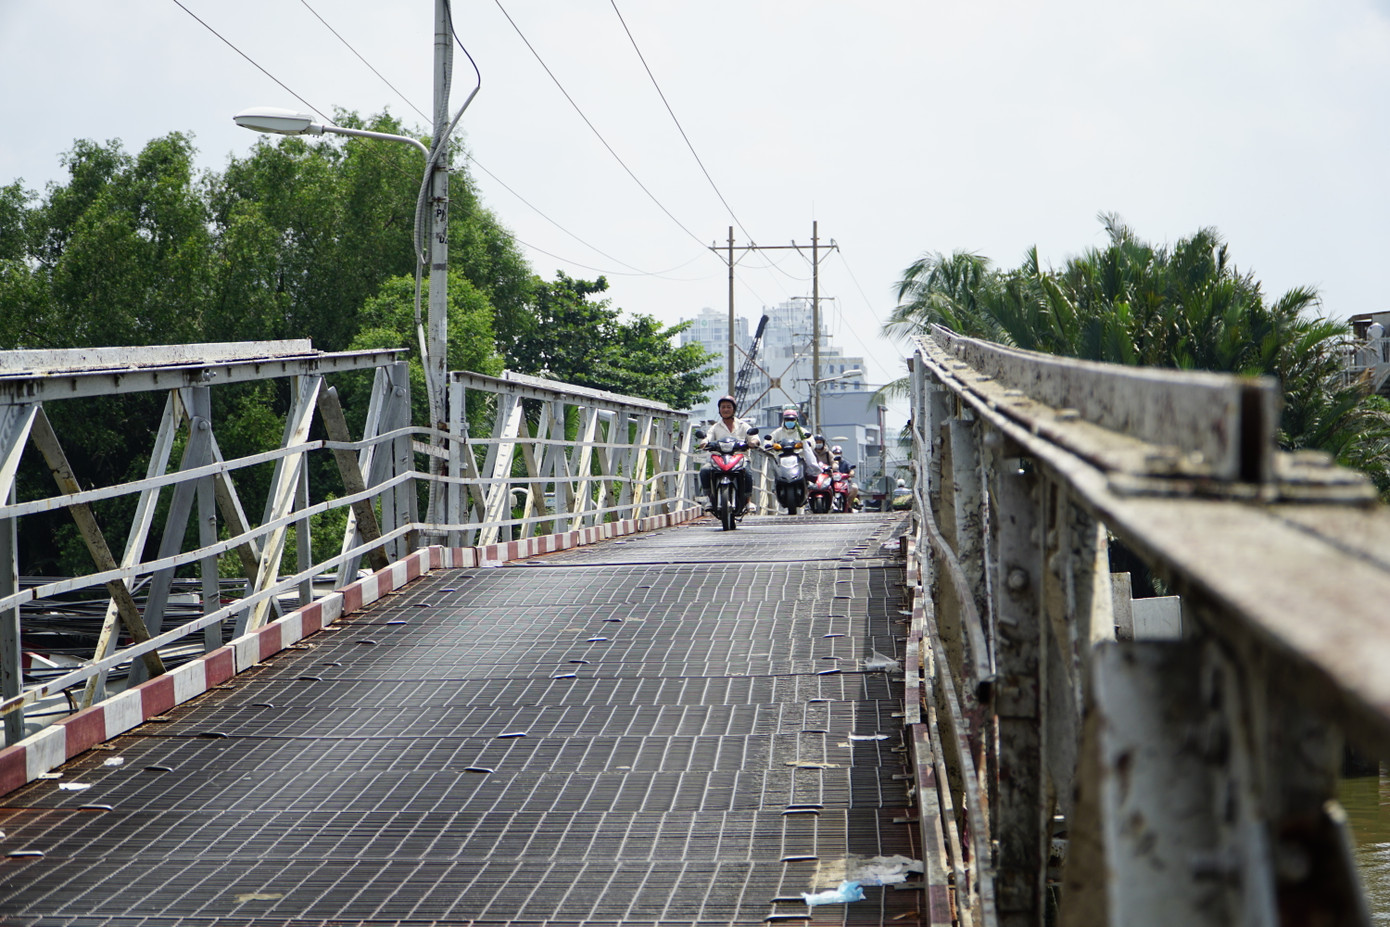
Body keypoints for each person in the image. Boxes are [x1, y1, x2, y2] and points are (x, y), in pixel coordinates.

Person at [699, 394, 760, 513]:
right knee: (705, 470)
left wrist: (753, 442)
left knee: (747, 472)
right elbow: (708, 437)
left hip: (740, 458)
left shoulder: (743, 425)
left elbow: (754, 437)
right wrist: (704, 442)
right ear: (719, 410)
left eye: (728, 407)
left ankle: (748, 501)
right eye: (723, 407)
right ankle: (709, 498)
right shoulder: (715, 427)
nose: (726, 410)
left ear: (734, 409)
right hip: (719, 459)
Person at [767, 406, 821, 475]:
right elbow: (770, 439)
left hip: (799, 458)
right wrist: (768, 444)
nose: (790, 421)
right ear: (784, 420)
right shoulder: (778, 432)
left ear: (796, 420)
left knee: (810, 474)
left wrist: (808, 443)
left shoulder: (802, 431)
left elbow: (811, 440)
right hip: (780, 459)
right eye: (787, 419)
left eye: (792, 419)